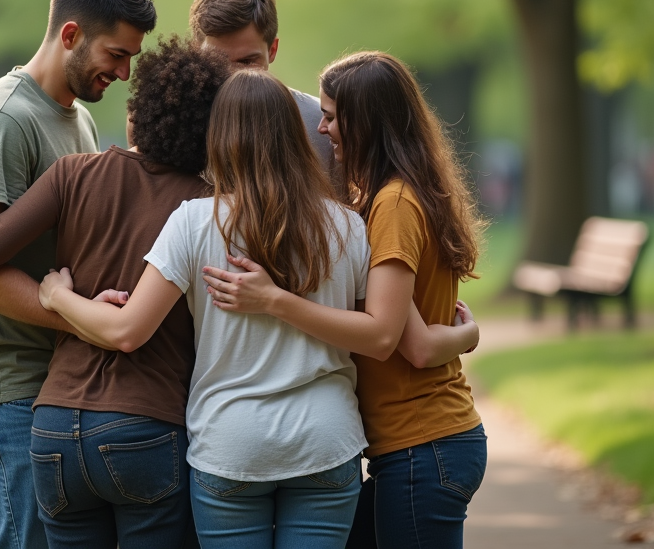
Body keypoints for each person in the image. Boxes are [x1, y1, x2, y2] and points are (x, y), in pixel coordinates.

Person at [38, 70, 377, 548]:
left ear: (220, 138)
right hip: (325, 440)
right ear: (294, 133)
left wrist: (55, 296)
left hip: (229, 446)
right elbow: (373, 335)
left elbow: (126, 331)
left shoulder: (197, 222)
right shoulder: (347, 225)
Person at [0, 37, 231, 549]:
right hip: (147, 424)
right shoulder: (206, 207)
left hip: (55, 427)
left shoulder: (75, 172)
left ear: (141, 108)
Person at [202, 51, 487, 549]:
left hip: (422, 443)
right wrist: (468, 334)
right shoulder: (400, 193)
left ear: (365, 122)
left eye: (332, 117)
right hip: (418, 447)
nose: (324, 128)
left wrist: (275, 300)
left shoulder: (393, 205)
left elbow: (389, 337)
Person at [0, 0, 156, 549]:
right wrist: (83, 321)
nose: (126, 72)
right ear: (70, 36)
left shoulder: (75, 118)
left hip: (49, 385)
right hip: (2, 387)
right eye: (117, 54)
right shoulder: (4, 120)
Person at [189, 0, 333, 168]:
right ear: (196, 52)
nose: (233, 76)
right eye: (217, 61)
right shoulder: (172, 126)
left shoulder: (320, 126)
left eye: (247, 61)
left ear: (272, 50)